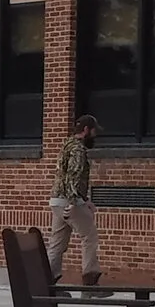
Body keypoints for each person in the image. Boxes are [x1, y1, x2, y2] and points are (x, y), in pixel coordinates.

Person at [46, 114, 100, 283]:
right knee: (89, 236)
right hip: (69, 201)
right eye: (93, 131)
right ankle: (90, 278)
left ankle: (47, 278)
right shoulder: (78, 149)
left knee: (57, 242)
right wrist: (74, 201)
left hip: (57, 200)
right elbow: (73, 175)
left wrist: (85, 199)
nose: (95, 135)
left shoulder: (66, 145)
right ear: (86, 130)